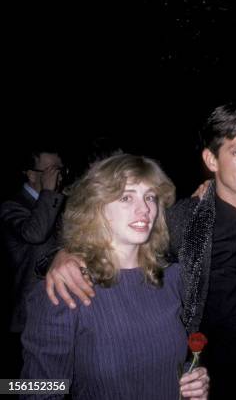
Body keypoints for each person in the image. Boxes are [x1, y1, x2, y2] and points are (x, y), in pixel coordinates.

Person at [44, 105, 236, 400]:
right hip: (211, 388)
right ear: (211, 159)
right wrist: (63, 255)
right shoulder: (180, 223)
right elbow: (24, 386)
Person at [21, 153, 209, 399]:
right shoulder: (66, 286)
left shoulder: (171, 277)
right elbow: (28, 388)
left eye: (150, 197)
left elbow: (162, 357)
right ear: (96, 207)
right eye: (126, 197)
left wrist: (191, 378)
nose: (144, 209)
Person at [0, 147, 65, 377]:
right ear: (31, 174)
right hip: (27, 318)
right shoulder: (11, 206)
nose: (58, 175)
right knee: (25, 383)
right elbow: (35, 234)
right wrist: (49, 191)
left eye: (60, 169)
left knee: (59, 381)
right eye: (51, 170)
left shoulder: (59, 201)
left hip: (59, 312)